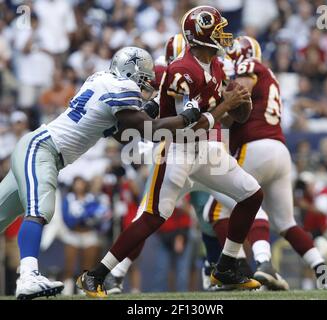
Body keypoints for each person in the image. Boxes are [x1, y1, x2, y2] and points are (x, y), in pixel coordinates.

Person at [0, 45, 243, 299]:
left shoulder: (101, 79)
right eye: (144, 77)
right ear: (132, 71)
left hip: (41, 148)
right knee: (41, 209)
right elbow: (149, 130)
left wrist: (150, 113)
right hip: (43, 149)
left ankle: (28, 275)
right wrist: (188, 116)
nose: (146, 84)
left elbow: (119, 132)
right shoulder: (123, 88)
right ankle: (27, 276)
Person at [77, 6, 262, 298]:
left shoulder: (214, 65)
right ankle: (95, 276)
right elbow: (184, 126)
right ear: (200, 34)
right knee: (152, 217)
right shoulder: (182, 71)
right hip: (177, 149)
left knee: (252, 194)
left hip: (204, 148)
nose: (223, 35)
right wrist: (226, 105)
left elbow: (231, 118)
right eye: (217, 29)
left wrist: (241, 101)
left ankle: (226, 265)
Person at [202, 36, 327, 289]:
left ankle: (251, 267)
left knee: (219, 208)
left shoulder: (248, 66)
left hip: (255, 146)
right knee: (286, 222)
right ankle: (325, 276)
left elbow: (239, 99)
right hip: (279, 150)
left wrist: (215, 107)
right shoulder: (269, 75)